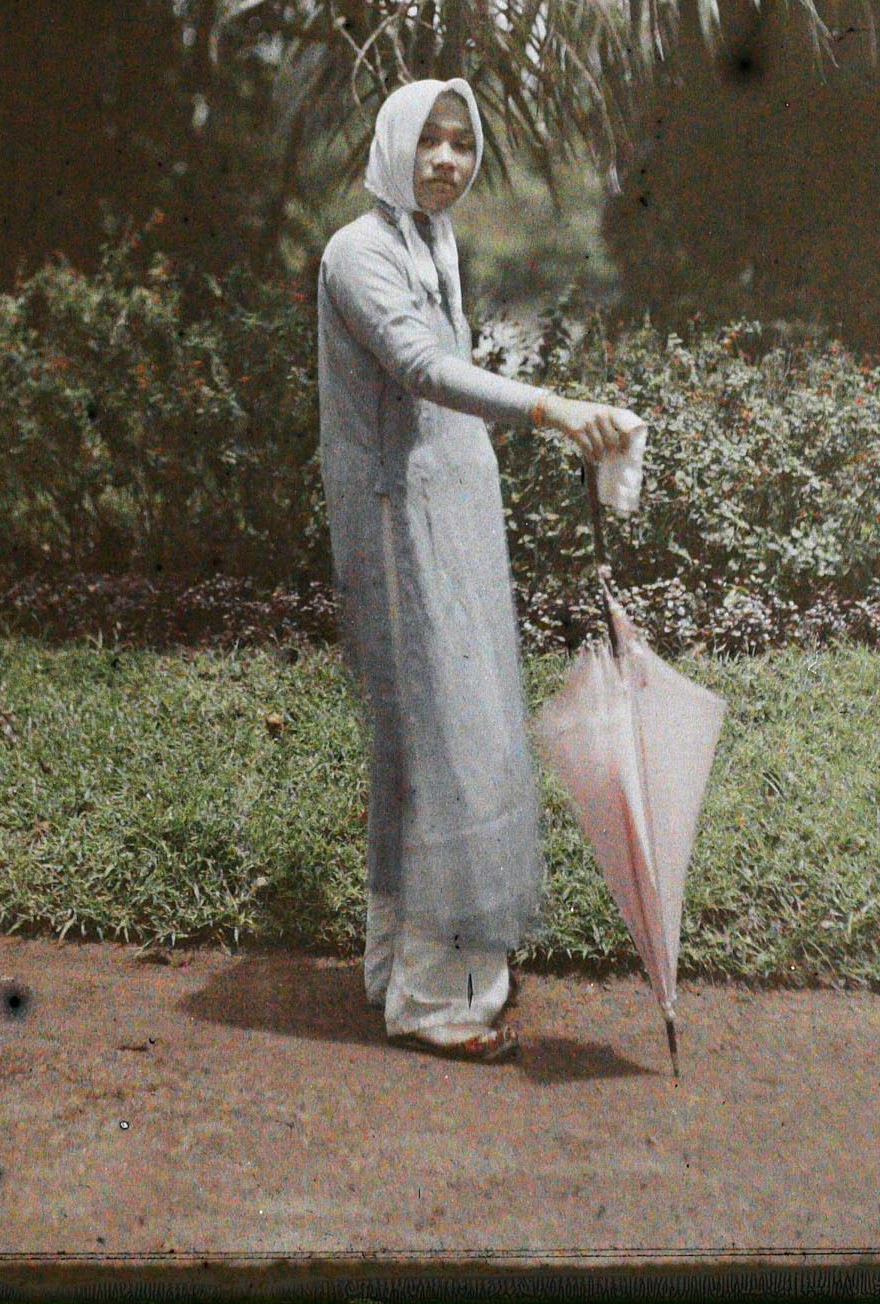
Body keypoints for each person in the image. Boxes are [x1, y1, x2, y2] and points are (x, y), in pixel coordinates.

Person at [316, 76, 636, 1063]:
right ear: (391, 146)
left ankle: (403, 969)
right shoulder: (358, 251)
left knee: (443, 733)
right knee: (445, 742)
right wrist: (550, 408)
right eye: (429, 140)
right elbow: (419, 367)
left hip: (453, 507)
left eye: (462, 142)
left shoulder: (432, 241)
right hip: (398, 515)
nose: (447, 159)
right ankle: (436, 995)